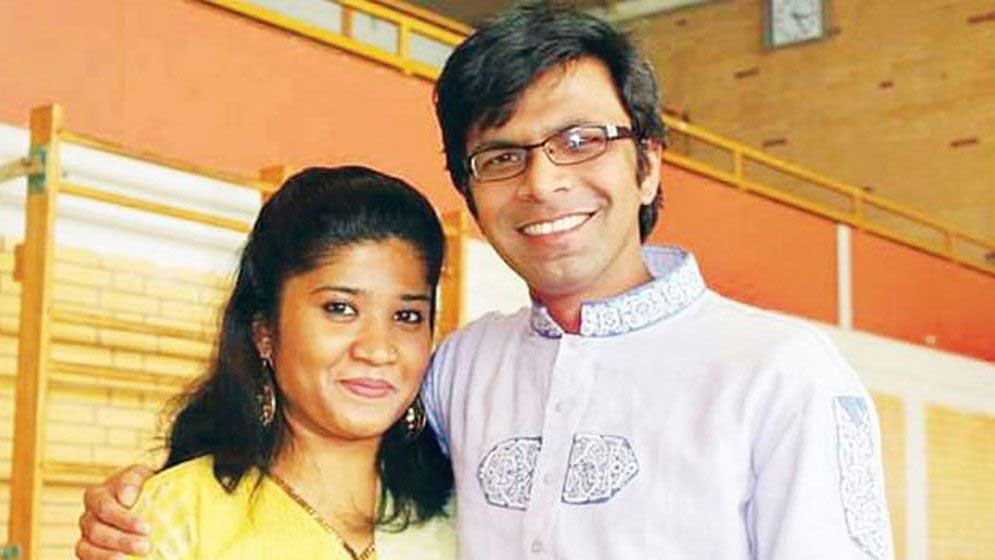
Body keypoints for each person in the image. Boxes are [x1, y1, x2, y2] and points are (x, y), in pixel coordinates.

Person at [77, 3, 893, 559]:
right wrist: (146, 500)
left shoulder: (780, 374)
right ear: (470, 195)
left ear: (647, 163)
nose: (542, 183)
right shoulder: (463, 371)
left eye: (579, 140)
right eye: (502, 156)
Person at [77, 166, 456, 559]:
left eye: (407, 316)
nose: (378, 350)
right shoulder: (172, 516)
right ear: (264, 332)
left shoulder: (465, 515)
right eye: (340, 308)